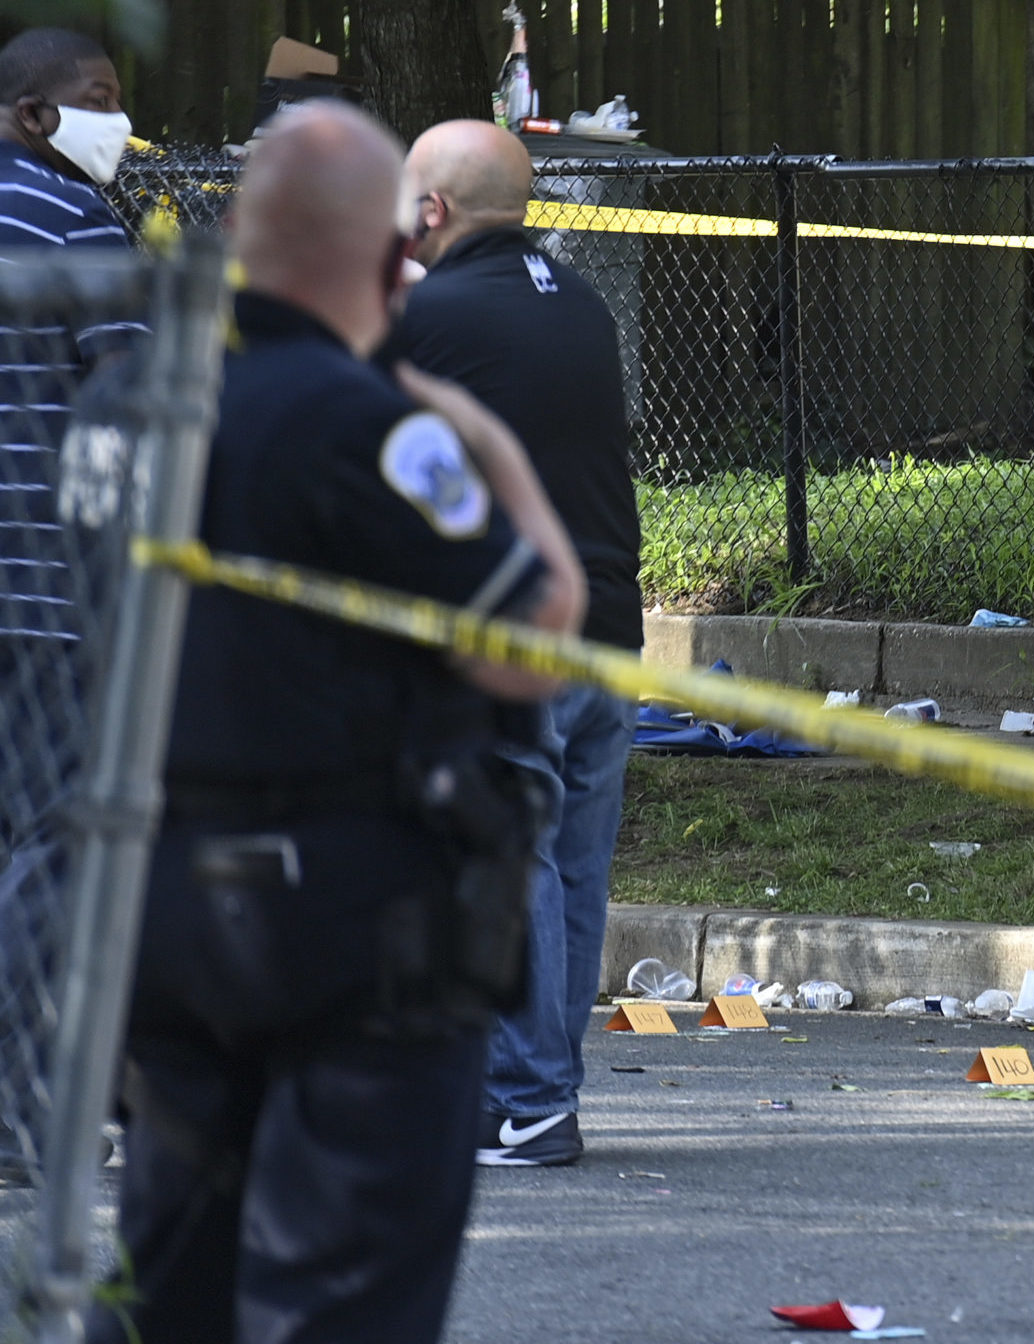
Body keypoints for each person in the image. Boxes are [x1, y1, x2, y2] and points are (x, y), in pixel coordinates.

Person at [92, 102, 584, 1344]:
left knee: (168, 1284)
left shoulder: (123, 405)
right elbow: (536, 637)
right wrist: (463, 423)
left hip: (147, 904)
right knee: (344, 1293)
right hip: (350, 927)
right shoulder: (371, 425)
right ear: (387, 259)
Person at [389, 119, 643, 1168]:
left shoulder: (430, 314)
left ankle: (530, 1099)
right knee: (573, 865)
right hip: (609, 625)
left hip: (515, 633)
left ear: (433, 212)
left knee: (517, 857)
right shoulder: (574, 303)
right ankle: (546, 1088)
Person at [0, 25, 138, 1185]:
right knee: (45, 850)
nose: (117, 121)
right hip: (48, 596)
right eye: (98, 98)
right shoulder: (79, 225)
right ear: (32, 113)